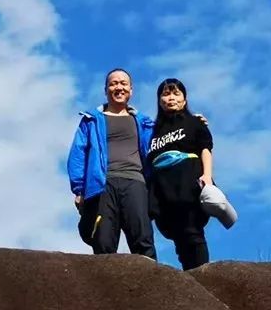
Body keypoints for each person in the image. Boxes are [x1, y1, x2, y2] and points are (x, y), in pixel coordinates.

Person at [67, 68, 157, 259]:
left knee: (143, 239)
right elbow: (78, 153)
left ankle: (153, 285)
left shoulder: (144, 122)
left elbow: (164, 142)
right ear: (106, 89)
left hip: (136, 183)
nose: (119, 87)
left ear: (131, 90)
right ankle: (105, 288)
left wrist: (195, 121)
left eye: (123, 83)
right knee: (103, 241)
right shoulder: (91, 120)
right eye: (114, 83)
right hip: (102, 185)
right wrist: (79, 189)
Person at [146, 78, 214, 271]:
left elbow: (206, 148)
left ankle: (203, 274)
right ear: (159, 101)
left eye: (176, 93)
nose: (171, 98)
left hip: (188, 181)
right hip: (163, 187)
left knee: (193, 232)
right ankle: (189, 278)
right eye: (166, 94)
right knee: (178, 237)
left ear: (184, 100)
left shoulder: (194, 123)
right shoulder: (152, 131)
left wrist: (207, 176)